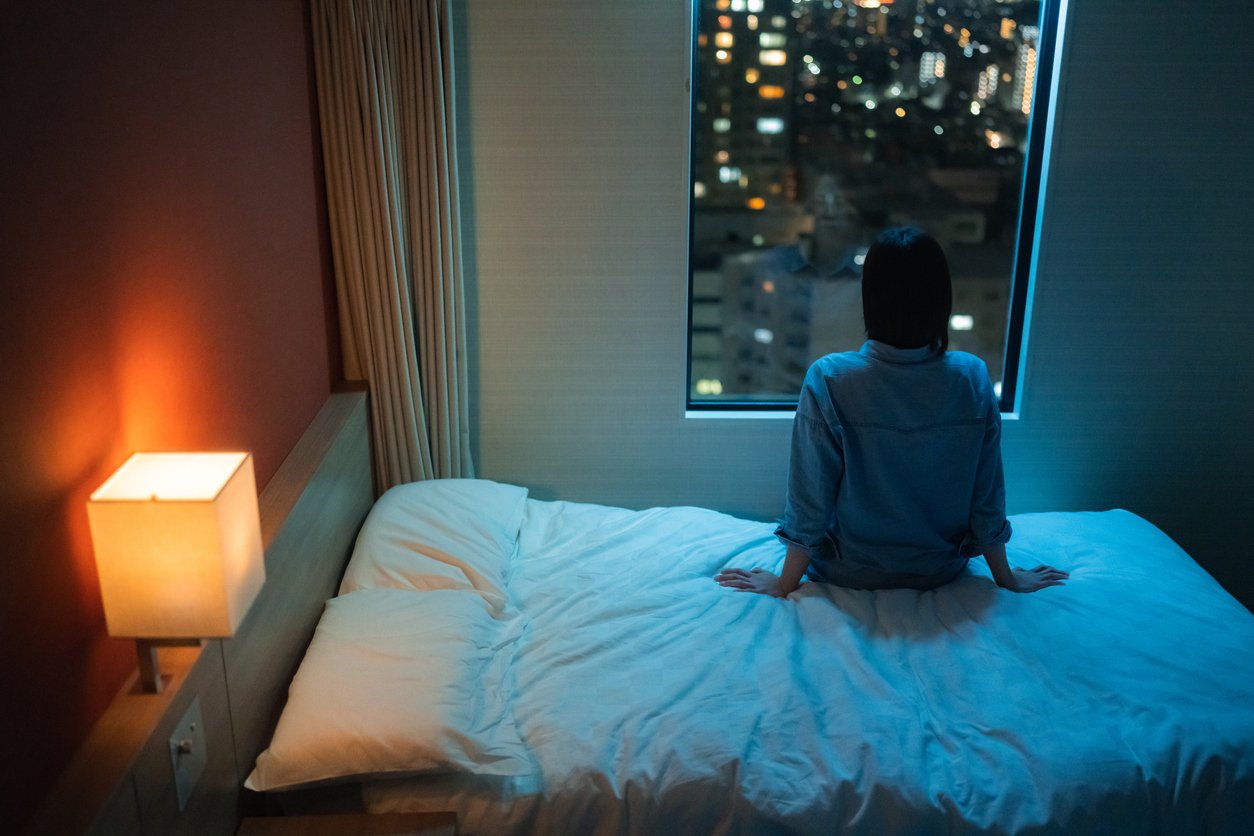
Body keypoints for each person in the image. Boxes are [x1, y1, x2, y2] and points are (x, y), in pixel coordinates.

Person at [716, 227, 1068, 598]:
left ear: (870, 297)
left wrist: (784, 583)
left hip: (847, 569)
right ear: (941, 299)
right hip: (938, 570)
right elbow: (987, 495)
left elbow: (810, 500)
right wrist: (1005, 577)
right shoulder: (972, 377)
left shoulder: (831, 377)